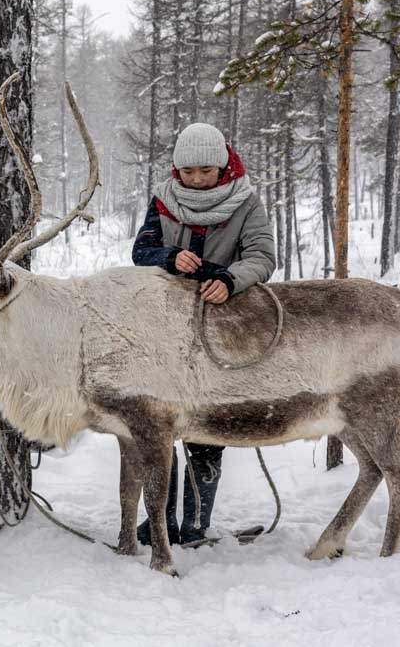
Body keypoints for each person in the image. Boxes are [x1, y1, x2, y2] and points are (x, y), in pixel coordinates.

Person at [131, 122, 276, 546]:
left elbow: (262, 256)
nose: (196, 179)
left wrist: (231, 280)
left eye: (205, 171)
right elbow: (141, 251)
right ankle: (160, 521)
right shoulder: (163, 199)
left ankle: (196, 524)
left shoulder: (246, 201)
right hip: (166, 323)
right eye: (188, 172)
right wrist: (169, 257)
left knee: (206, 425)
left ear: (223, 165)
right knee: (158, 422)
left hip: (222, 320)